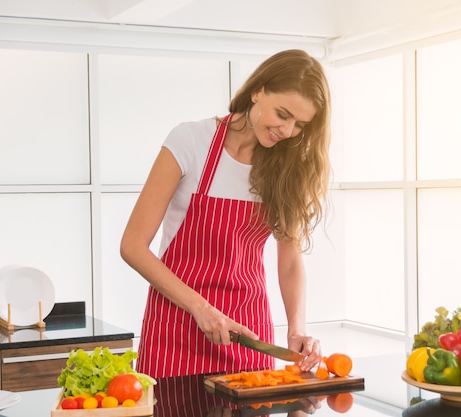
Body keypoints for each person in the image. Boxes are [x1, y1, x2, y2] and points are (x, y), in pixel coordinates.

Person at [120, 49, 331, 379]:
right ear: (258, 90)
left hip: (248, 337)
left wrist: (296, 331)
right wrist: (201, 308)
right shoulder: (191, 141)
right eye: (282, 114)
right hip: (177, 329)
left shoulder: (288, 166)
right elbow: (132, 245)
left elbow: (290, 261)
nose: (288, 130)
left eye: (299, 124)